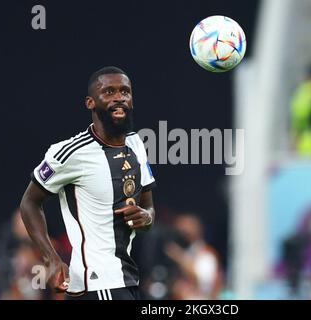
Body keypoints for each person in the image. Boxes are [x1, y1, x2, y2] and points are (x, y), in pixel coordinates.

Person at [20, 66, 156, 300]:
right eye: (109, 92)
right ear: (90, 103)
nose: (119, 98)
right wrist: (51, 259)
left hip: (127, 278)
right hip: (98, 283)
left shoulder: (136, 145)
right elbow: (30, 202)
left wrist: (147, 217)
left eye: (125, 92)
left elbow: (149, 208)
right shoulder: (70, 152)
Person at [164, 214, 223, 299]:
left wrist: (180, 258)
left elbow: (205, 282)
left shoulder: (206, 254)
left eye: (185, 232)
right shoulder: (189, 251)